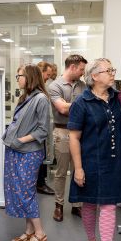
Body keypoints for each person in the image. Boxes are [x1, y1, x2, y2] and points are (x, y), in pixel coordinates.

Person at [68, 58, 121, 241]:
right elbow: (74, 137)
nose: (113, 73)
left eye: (112, 69)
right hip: (90, 162)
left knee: (108, 206)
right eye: (108, 70)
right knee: (89, 204)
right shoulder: (81, 103)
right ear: (94, 76)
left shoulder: (118, 98)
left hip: (114, 162)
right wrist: (78, 168)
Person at [2, 64, 51, 241]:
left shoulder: (41, 99)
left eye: (19, 76)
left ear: (30, 77)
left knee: (26, 192)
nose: (17, 79)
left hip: (29, 152)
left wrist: (20, 140)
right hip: (16, 150)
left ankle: (40, 233)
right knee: (20, 190)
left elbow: (43, 130)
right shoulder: (26, 97)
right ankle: (29, 231)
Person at [48, 54, 87, 221]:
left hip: (80, 133)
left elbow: (87, 107)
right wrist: (80, 105)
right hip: (62, 131)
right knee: (61, 172)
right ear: (72, 67)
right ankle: (59, 205)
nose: (83, 73)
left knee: (79, 169)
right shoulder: (55, 86)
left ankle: (77, 205)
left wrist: (70, 105)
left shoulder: (83, 85)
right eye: (81, 69)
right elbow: (62, 109)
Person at [35, 61, 56, 196]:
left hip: (42, 128)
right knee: (39, 157)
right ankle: (40, 184)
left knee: (42, 156)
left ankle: (40, 182)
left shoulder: (42, 88)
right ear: (40, 72)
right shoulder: (35, 89)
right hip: (36, 130)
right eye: (47, 74)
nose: (48, 77)